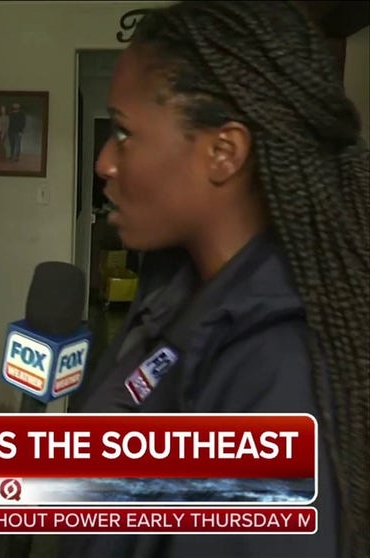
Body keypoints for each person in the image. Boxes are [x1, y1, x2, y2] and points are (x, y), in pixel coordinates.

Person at [64, 2, 368, 558]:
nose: (105, 161)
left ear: (223, 153)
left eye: (125, 133)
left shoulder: (276, 371)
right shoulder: (177, 296)